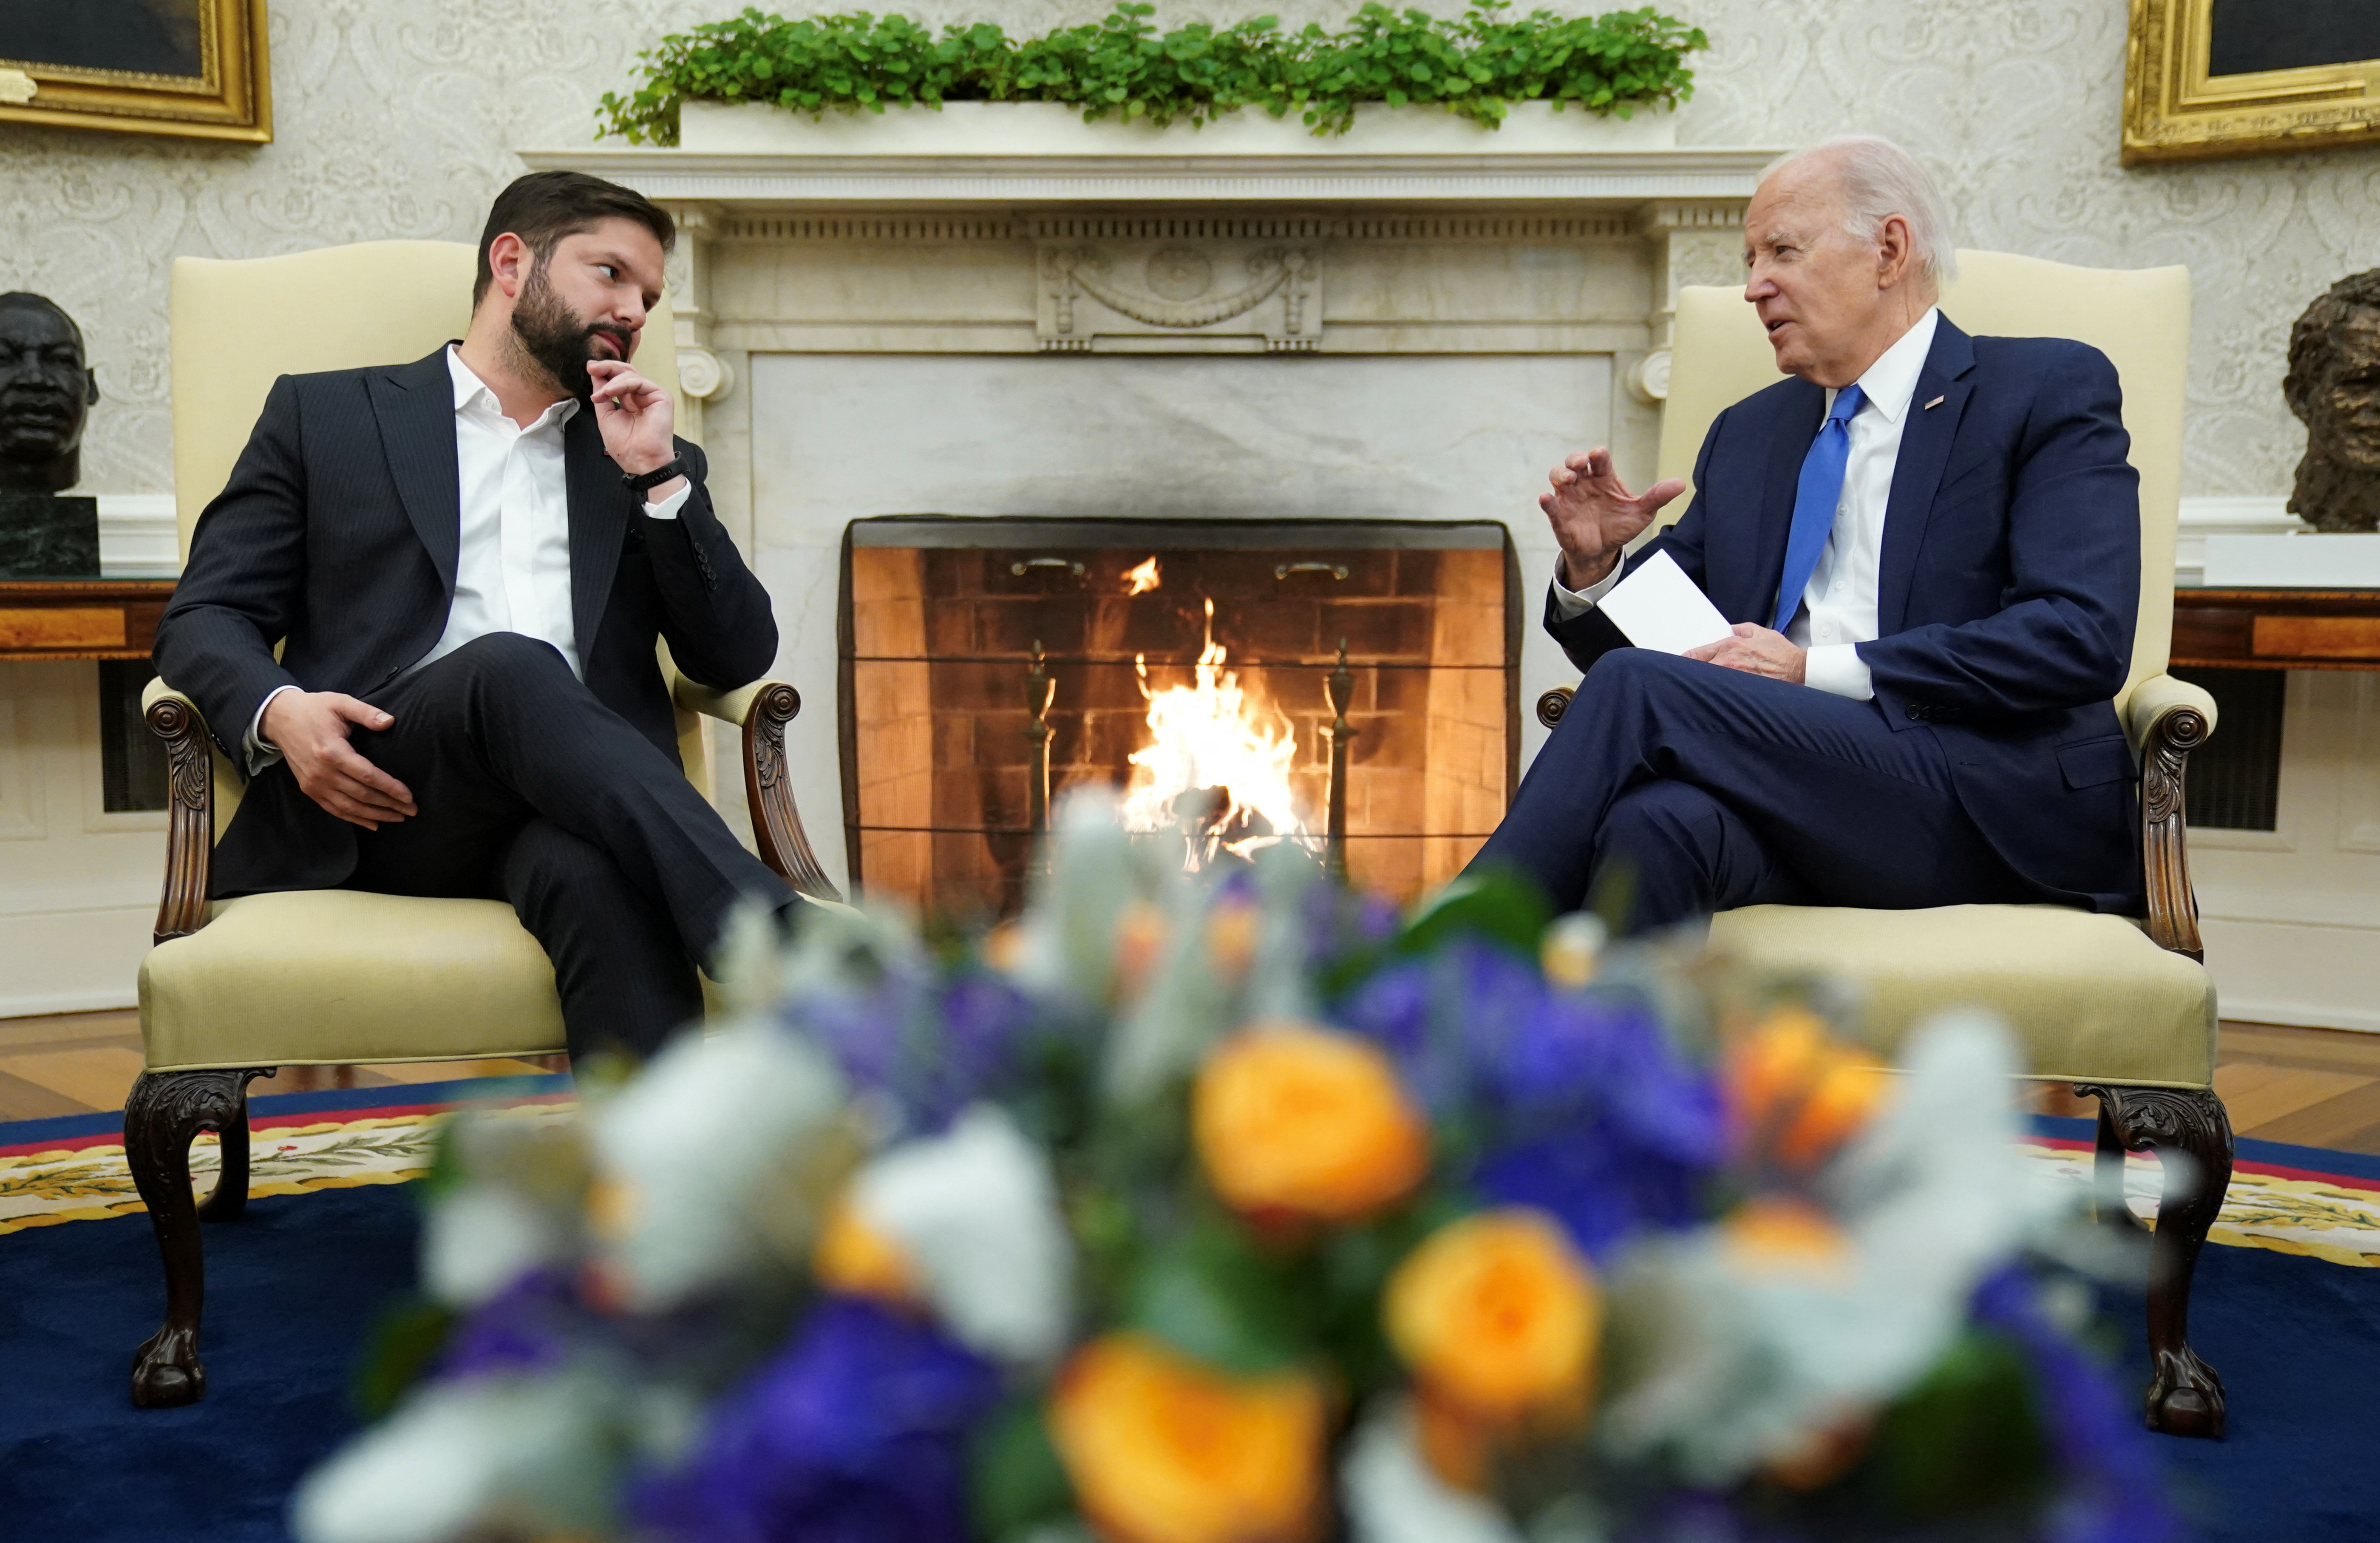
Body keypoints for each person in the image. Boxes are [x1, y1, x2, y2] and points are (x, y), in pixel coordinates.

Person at [154, 170, 796, 1060]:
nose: (636, 311)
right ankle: (779, 938)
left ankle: (657, 1184)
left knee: (597, 879)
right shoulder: (328, 414)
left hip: (571, 805)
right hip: (378, 797)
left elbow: (735, 655)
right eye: (609, 273)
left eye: (648, 295)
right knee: (510, 664)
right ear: (511, 263)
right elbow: (206, 614)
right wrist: (281, 714)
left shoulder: (645, 454)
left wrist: (657, 479)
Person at [1468, 136, 2143, 930]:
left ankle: (1435, 975)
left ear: (1889, 250)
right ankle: (1615, 1054)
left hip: (1978, 795)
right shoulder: (1752, 432)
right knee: (1651, 824)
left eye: (1782, 251)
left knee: (1636, 693)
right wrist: (1597, 567)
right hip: (1796, 793)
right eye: (1750, 259)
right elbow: (1666, 642)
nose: (1755, 287)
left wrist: (1813, 670)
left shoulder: (2043, 389)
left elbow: (2079, 636)